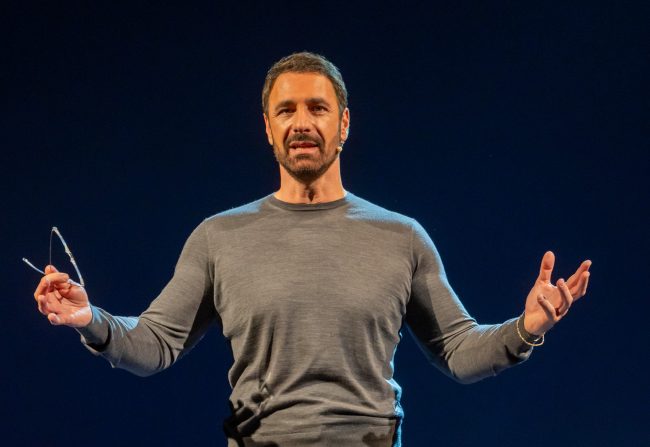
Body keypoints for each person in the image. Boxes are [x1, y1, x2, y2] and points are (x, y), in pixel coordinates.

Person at [31, 52, 591, 447]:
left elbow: (458, 351)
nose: (302, 123)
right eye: (287, 110)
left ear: (343, 123)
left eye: (317, 108)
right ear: (268, 127)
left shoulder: (402, 237)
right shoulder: (218, 237)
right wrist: (90, 319)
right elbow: (155, 343)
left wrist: (526, 328)